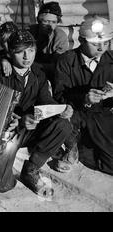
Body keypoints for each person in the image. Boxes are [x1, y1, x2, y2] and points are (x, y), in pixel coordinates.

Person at [0, 30, 73, 197]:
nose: (26, 57)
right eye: (20, 52)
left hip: (29, 126)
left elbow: (45, 100)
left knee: (62, 125)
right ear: (10, 53)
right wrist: (12, 118)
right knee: (1, 184)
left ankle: (31, 169)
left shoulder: (38, 73)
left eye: (31, 50)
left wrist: (61, 109)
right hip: (5, 130)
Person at [54, 16, 113, 175]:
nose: (101, 48)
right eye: (95, 44)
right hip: (77, 115)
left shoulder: (111, 59)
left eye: (106, 43)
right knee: (64, 122)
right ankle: (72, 147)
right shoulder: (66, 60)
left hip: (104, 116)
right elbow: (59, 95)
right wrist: (83, 98)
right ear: (81, 40)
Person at [29, 1, 69, 80]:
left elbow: (57, 64)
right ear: (39, 21)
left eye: (53, 22)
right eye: (46, 21)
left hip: (49, 74)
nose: (49, 25)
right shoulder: (30, 32)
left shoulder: (60, 36)